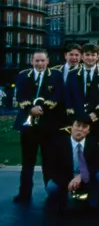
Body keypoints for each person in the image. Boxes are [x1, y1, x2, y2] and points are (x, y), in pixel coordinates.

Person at [13, 50, 64, 204]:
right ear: (32, 61)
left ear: (48, 61)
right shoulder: (23, 75)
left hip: (48, 126)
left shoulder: (56, 75)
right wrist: (30, 109)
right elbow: (20, 96)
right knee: (27, 162)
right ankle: (24, 194)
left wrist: (42, 109)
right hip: (29, 127)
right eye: (37, 61)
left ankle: (51, 193)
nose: (40, 64)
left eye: (42, 61)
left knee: (49, 162)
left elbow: (58, 96)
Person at [45, 115, 99, 213]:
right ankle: (60, 202)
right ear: (71, 127)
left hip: (86, 176)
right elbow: (52, 168)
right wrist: (68, 182)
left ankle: (93, 203)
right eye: (78, 125)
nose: (80, 129)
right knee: (51, 187)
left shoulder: (94, 144)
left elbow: (96, 165)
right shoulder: (59, 144)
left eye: (84, 127)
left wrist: (81, 176)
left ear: (88, 131)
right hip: (65, 177)